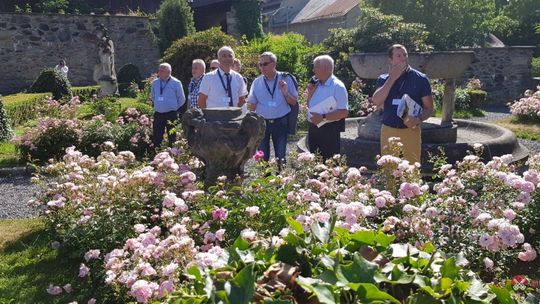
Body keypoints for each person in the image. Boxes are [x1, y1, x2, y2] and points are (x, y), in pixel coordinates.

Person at [372, 44, 434, 163]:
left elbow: (429, 108)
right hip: (388, 129)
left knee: (412, 170)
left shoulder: (420, 79)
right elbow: (376, 101)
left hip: (410, 130)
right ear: (390, 60)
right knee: (389, 170)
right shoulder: (383, 79)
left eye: (405, 55)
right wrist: (392, 79)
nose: (403, 58)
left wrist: (418, 119)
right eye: (398, 55)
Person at [248, 52, 298, 164]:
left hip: (281, 121)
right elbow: (252, 105)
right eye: (260, 64)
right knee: (262, 156)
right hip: (262, 123)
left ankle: (280, 180)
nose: (262, 67)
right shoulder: (257, 82)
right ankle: (265, 180)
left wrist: (285, 93)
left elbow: (293, 102)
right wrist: (250, 124)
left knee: (280, 156)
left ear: (274, 64)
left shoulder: (286, 79)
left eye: (265, 64)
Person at [306, 55, 349, 160]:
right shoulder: (316, 84)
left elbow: (344, 112)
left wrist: (323, 117)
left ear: (327, 68)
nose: (313, 70)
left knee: (329, 163)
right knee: (315, 162)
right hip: (314, 129)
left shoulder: (337, 86)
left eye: (316, 67)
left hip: (329, 130)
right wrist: (310, 93)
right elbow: (309, 105)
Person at [150, 63, 186, 148]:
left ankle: (173, 155)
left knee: (172, 136)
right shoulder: (155, 83)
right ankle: (157, 154)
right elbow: (153, 96)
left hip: (171, 114)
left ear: (168, 71)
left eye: (161, 70)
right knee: (157, 136)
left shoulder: (176, 82)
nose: (159, 72)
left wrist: (174, 108)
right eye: (159, 70)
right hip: (158, 114)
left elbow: (182, 99)